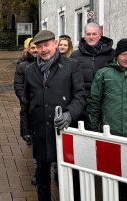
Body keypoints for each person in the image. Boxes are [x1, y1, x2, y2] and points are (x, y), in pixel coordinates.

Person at [20, 30, 85, 201]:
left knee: (69, 176)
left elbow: (80, 95)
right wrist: (25, 126)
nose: (43, 50)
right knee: (42, 177)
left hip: (64, 131)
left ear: (55, 44)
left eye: (46, 45)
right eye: (39, 46)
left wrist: (70, 114)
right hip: (40, 130)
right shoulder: (30, 70)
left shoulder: (72, 65)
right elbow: (26, 101)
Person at [14, 38, 38, 185]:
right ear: (28, 49)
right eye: (33, 47)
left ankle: (55, 170)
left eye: (37, 47)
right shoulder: (23, 66)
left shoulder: (47, 64)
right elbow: (18, 85)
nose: (35, 50)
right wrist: (26, 100)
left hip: (45, 108)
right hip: (29, 107)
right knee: (37, 142)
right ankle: (38, 172)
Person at [72, 22, 115, 98]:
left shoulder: (112, 54)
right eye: (88, 34)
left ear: (100, 36)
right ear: (84, 36)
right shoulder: (75, 56)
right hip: (83, 100)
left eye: (94, 34)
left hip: (106, 98)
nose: (91, 37)